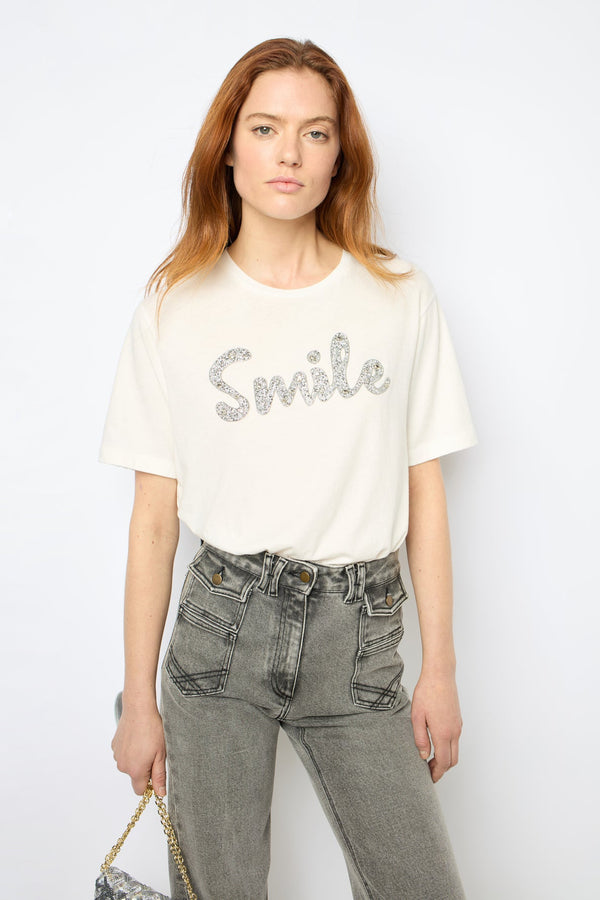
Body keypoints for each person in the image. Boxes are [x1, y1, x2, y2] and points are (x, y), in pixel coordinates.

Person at [99, 37, 477, 900]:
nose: (289, 154)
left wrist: (441, 669)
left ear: (339, 155)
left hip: (361, 641)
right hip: (218, 636)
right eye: (265, 128)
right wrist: (138, 701)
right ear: (229, 148)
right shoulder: (175, 304)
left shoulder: (398, 296)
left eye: (315, 133)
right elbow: (153, 518)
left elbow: (425, 491)